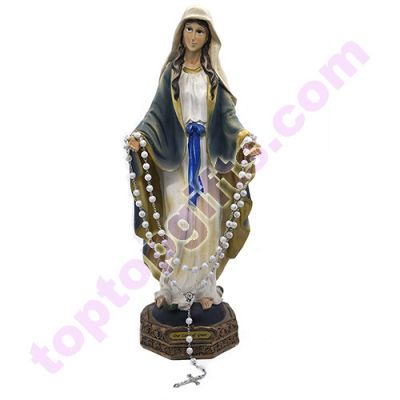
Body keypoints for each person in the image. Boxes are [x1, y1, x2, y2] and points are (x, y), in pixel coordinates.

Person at [126, 6, 261, 311]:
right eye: (189, 29)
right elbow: (156, 114)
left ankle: (204, 287)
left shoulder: (213, 79)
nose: (193, 36)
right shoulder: (171, 74)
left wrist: (245, 140)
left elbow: (228, 118)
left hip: (207, 161)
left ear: (208, 37)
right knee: (176, 218)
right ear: (181, 33)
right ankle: (171, 287)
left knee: (207, 219)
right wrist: (140, 137)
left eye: (200, 31)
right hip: (177, 159)